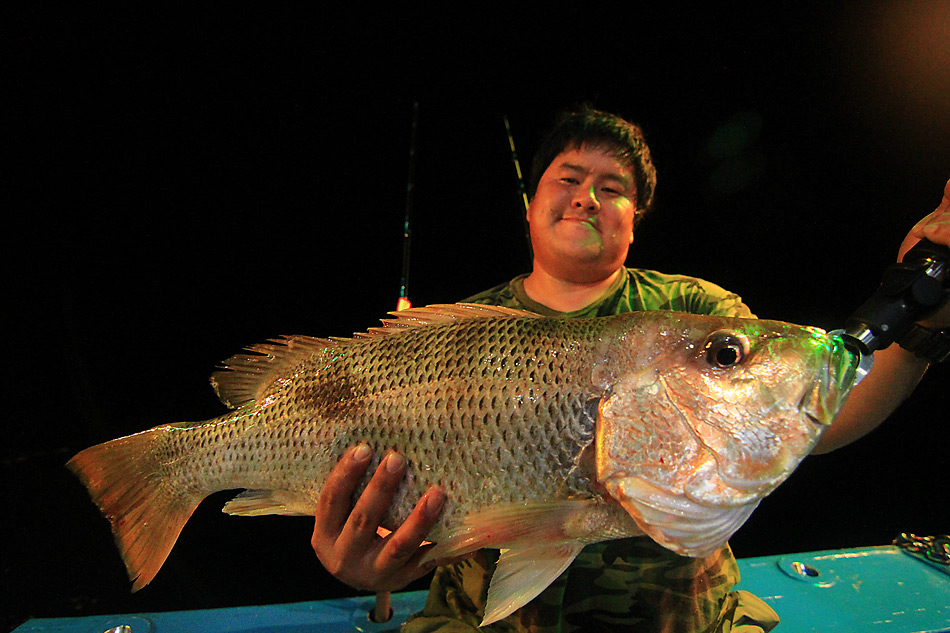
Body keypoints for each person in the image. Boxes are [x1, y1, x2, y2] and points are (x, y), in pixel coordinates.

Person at [310, 108, 950, 632]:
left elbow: (809, 421)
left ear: (635, 220)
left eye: (612, 188)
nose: (587, 198)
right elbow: (393, 517)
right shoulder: (463, 329)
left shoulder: (698, 314)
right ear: (532, 203)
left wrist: (922, 324)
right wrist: (369, 562)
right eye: (568, 179)